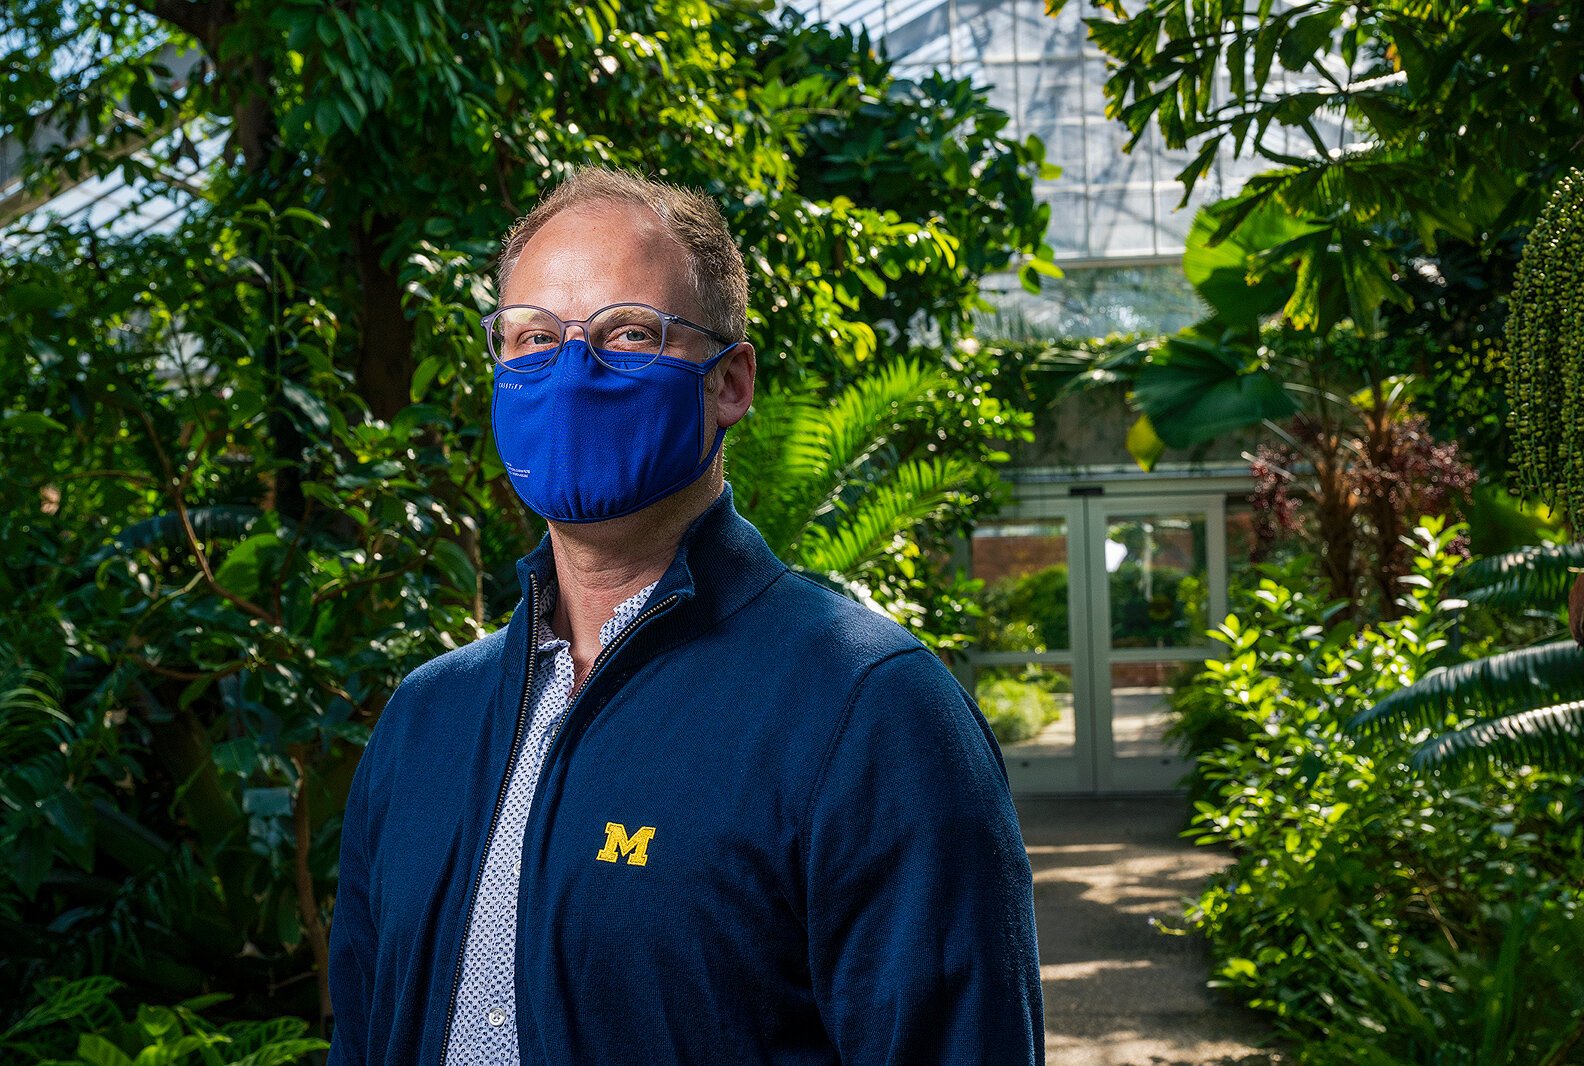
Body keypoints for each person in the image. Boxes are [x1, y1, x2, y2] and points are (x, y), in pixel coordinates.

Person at [326, 166, 1045, 1065]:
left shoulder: (869, 713)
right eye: (533, 339)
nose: (574, 371)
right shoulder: (424, 720)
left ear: (730, 381)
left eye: (629, 333)